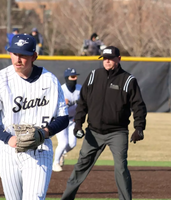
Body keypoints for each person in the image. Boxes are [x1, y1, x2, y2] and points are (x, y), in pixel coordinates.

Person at [0, 34, 69, 200]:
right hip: (9, 151)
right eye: (14, 54)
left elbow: (63, 118)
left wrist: (45, 132)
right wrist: (8, 138)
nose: (18, 59)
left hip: (40, 149)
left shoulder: (49, 80)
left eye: (23, 55)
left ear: (34, 56)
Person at [61, 46, 147, 200]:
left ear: (119, 59)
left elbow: (138, 106)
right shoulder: (94, 75)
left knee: (121, 168)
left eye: (110, 58)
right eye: (104, 58)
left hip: (117, 132)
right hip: (93, 132)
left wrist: (139, 128)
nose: (107, 61)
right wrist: (79, 123)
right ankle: (66, 198)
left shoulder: (128, 80)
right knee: (81, 166)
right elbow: (83, 103)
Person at [53, 68, 82, 172]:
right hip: (60, 119)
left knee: (72, 144)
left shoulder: (80, 89)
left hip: (72, 120)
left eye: (76, 76)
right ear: (67, 78)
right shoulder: (61, 90)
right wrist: (61, 104)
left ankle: (61, 154)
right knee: (63, 143)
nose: (75, 78)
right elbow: (53, 106)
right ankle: (55, 163)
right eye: (72, 76)